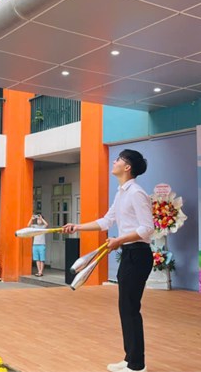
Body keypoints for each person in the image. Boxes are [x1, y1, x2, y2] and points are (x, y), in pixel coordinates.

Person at [63, 149, 154, 372]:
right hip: (128, 254)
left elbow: (147, 229)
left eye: (119, 159)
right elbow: (106, 221)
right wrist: (77, 227)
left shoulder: (136, 193)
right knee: (125, 308)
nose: (114, 161)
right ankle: (130, 358)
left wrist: (119, 240)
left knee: (130, 309)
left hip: (138, 254)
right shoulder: (121, 193)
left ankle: (137, 365)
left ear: (127, 167)